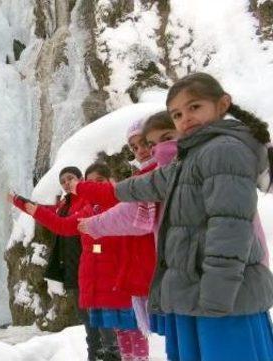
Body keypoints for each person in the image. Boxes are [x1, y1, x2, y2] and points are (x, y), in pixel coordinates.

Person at [113, 72, 273, 361]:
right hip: (197, 292)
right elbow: (158, 181)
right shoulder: (194, 154)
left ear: (222, 104)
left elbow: (230, 226)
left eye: (194, 107)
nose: (185, 118)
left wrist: (217, 293)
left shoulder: (224, 151)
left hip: (222, 296)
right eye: (176, 114)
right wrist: (119, 189)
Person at [76, 111, 179, 360]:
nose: (141, 150)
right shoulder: (146, 174)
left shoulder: (156, 174)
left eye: (146, 143)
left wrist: (94, 223)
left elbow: (131, 215)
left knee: (157, 330)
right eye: (134, 146)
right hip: (130, 270)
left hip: (149, 265)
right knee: (125, 333)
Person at [10, 163, 133, 361]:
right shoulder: (74, 206)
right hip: (83, 271)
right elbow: (58, 221)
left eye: (71, 179)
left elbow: (112, 241)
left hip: (106, 274)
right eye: (63, 181)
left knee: (114, 332)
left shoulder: (106, 203)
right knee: (93, 326)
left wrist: (96, 249)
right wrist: (20, 202)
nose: (67, 183)